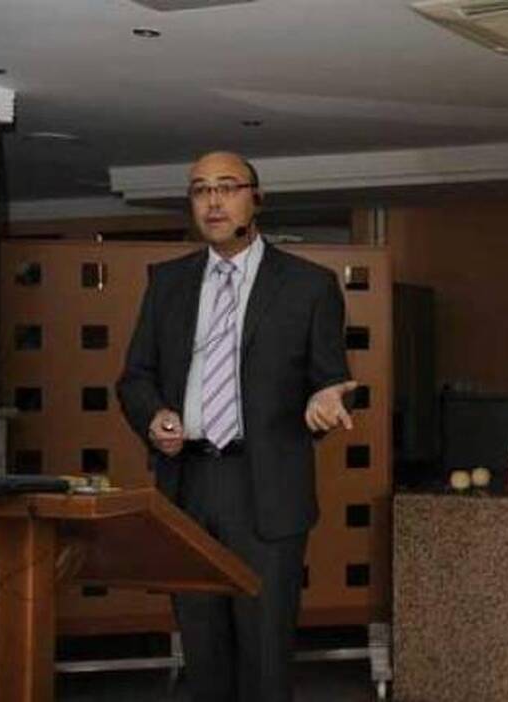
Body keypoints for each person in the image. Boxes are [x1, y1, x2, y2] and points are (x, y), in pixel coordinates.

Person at [117, 150, 357, 701]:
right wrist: (154, 416)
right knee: (203, 656)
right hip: (188, 484)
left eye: (227, 187)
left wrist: (322, 403)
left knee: (265, 655)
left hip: (267, 488)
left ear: (257, 199)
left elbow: (330, 381)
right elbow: (135, 377)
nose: (214, 201)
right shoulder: (167, 283)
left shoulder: (309, 285)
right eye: (201, 190)